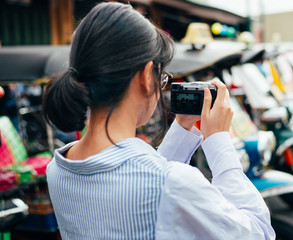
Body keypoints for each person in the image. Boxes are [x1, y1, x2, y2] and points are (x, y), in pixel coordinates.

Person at [42, 2, 275, 240]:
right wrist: (218, 140)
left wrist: (183, 127)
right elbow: (259, 232)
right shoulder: (172, 183)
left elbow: (144, 181)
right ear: (146, 75)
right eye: (162, 77)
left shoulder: (58, 168)